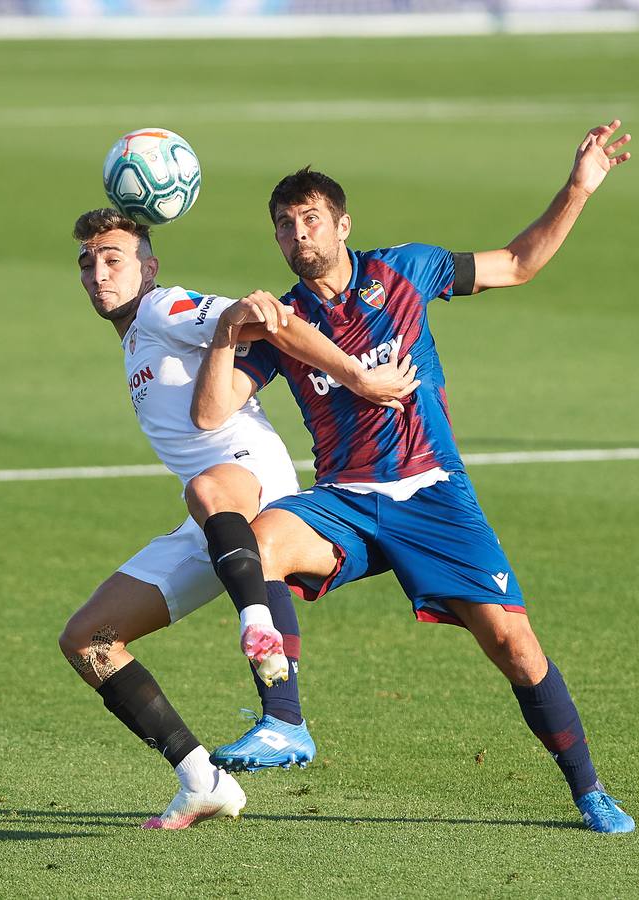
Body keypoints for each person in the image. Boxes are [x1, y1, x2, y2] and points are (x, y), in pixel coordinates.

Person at [192, 121, 638, 833]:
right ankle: (284, 721)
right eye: (283, 225)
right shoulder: (281, 323)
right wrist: (224, 334)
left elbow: (518, 264)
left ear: (342, 224)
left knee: (515, 649)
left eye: (310, 218)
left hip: (433, 493)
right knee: (255, 546)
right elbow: (211, 410)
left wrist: (577, 188)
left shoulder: (407, 269)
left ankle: (587, 789)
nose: (298, 234)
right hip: (345, 502)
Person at [59, 207, 416, 830]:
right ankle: (201, 780)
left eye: (113, 259)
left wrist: (358, 376)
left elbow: (266, 318)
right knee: (88, 640)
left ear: (149, 265)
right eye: (88, 263)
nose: (98, 273)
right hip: (212, 520)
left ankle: (258, 623)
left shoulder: (159, 306)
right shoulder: (134, 337)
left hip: (247, 476)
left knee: (204, 487)